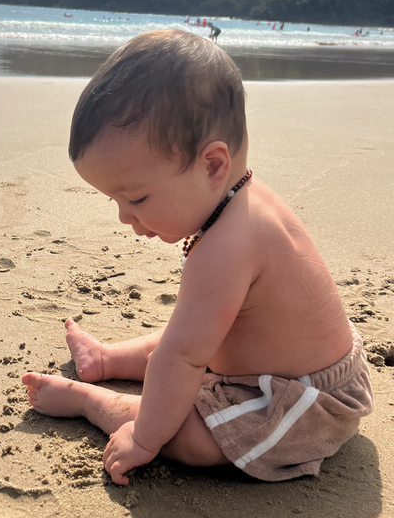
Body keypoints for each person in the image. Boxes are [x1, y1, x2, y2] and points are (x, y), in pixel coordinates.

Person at [22, 30, 373, 486]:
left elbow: (184, 359)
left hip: (299, 405)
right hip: (302, 365)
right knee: (182, 335)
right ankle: (107, 360)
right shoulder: (245, 199)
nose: (125, 217)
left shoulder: (228, 246)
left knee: (188, 430)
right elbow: (184, 345)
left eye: (138, 198)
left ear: (212, 166)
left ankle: (92, 400)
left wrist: (145, 439)